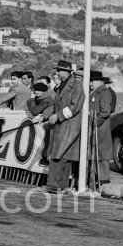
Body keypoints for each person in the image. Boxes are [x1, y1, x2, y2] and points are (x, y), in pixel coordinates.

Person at [45, 60, 85, 192]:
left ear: (67, 72)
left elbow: (75, 106)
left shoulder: (76, 85)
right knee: (61, 154)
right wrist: (45, 116)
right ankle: (58, 185)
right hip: (61, 125)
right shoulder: (62, 85)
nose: (57, 72)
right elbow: (54, 104)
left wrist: (58, 116)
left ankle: (55, 184)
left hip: (69, 125)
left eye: (60, 70)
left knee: (61, 154)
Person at [88, 70, 113, 185]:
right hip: (96, 129)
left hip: (100, 129)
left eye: (91, 81)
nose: (90, 84)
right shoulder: (96, 91)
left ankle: (104, 182)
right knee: (96, 156)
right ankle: (97, 180)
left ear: (98, 81)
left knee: (102, 157)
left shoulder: (104, 93)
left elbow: (105, 112)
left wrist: (94, 122)